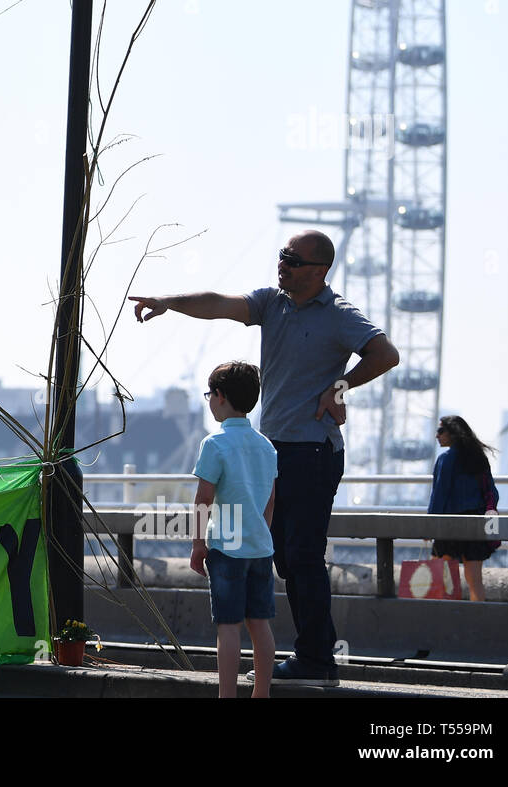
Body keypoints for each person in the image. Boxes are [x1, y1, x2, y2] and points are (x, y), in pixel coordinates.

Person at [131, 230, 400, 686]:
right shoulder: (271, 303)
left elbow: (386, 353)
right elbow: (219, 303)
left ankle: (316, 657)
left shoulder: (339, 315)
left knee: (302, 554)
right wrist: (168, 301)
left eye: (293, 260)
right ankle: (306, 655)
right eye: (282, 256)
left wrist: (341, 386)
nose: (283, 265)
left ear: (320, 271)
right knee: (279, 555)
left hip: (314, 451)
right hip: (273, 450)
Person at [189, 361, 278, 698]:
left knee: (228, 626)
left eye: (210, 394)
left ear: (221, 396)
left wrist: (199, 544)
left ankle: (228, 695)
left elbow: (203, 499)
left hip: (226, 549)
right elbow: (270, 500)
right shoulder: (266, 446)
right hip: (260, 549)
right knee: (260, 624)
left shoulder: (214, 444)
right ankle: (261, 694)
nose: (209, 400)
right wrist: (260, 533)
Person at [428, 415, 500, 602]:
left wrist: (429, 524)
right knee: (475, 579)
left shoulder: (446, 459)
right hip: (475, 524)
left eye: (441, 431)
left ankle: (448, 620)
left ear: (453, 434)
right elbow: (491, 490)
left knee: (443, 578)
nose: (437, 435)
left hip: (450, 525)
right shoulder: (477, 457)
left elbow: (439, 494)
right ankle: (480, 621)